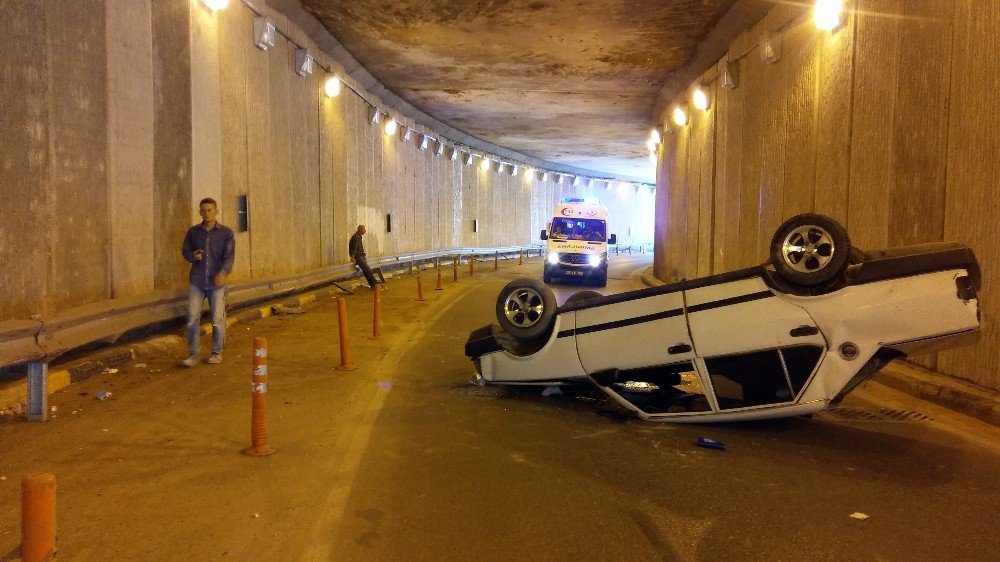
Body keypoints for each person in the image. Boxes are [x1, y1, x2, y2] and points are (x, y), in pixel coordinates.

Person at [180, 198, 235, 367]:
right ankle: (193, 354)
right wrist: (192, 255)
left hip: (216, 283)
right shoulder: (193, 232)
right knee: (191, 319)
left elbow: (229, 257)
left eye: (210, 210)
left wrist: (223, 273)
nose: (206, 213)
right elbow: (185, 251)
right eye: (203, 210)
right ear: (200, 212)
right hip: (197, 281)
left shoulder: (226, 233)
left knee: (217, 319)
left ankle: (216, 353)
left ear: (216, 211)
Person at [349, 224, 383, 289]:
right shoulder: (356, 237)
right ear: (359, 230)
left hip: (361, 256)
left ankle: (373, 285)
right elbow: (354, 248)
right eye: (363, 229)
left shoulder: (358, 236)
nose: (365, 231)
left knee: (366, 272)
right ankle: (376, 285)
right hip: (359, 257)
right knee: (368, 271)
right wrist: (352, 257)